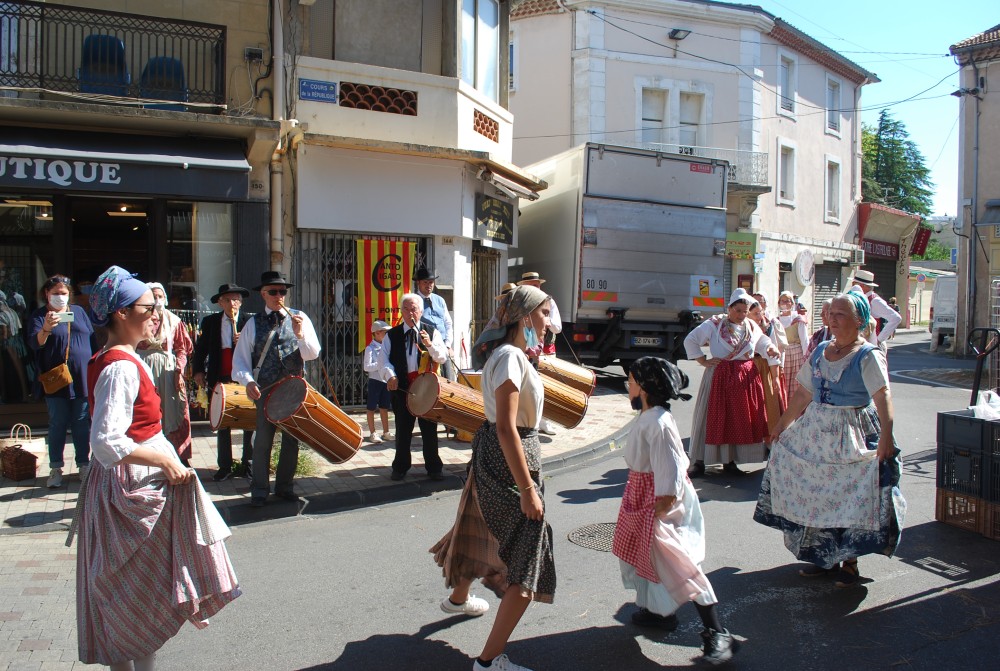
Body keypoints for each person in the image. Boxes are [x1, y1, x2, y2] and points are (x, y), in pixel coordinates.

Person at [75, 265, 239, 670]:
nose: (156, 315)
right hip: (130, 485)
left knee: (137, 596)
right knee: (133, 594)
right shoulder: (119, 366)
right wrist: (164, 458)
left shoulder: (118, 358)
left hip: (128, 478)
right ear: (121, 313)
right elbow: (106, 441)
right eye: (148, 308)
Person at [430, 284, 555, 671]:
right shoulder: (511, 357)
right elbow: (505, 427)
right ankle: (487, 662)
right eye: (544, 313)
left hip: (500, 459)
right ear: (524, 317)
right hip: (508, 463)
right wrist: (528, 488)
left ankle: (457, 599)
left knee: (479, 524)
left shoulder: (513, 356)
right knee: (527, 560)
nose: (548, 322)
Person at [754, 293, 905, 588]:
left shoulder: (867, 355)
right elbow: (803, 393)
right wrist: (782, 425)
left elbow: (882, 396)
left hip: (852, 430)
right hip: (817, 429)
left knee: (850, 496)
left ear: (859, 321)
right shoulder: (822, 349)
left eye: (840, 314)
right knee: (819, 494)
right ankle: (825, 556)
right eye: (831, 313)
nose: (832, 319)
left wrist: (886, 437)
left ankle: (850, 562)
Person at [613, 357, 736, 665]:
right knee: (647, 556)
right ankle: (658, 612)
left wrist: (659, 509)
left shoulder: (658, 423)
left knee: (679, 564)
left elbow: (669, 473)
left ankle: (718, 632)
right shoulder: (650, 418)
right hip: (645, 496)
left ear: (644, 388)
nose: (628, 386)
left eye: (631, 381)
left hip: (659, 502)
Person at [232, 271, 321, 507]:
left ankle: (284, 487)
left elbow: (312, 354)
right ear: (263, 294)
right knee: (263, 440)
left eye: (282, 291)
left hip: (293, 391)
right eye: (273, 291)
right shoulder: (253, 323)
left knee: (291, 441)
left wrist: (300, 335)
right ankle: (259, 490)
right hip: (266, 390)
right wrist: (248, 382)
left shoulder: (300, 317)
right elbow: (240, 361)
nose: (279, 295)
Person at [684, 289, 778, 477]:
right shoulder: (715, 324)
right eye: (738, 310)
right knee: (712, 418)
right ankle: (699, 461)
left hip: (744, 378)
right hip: (719, 376)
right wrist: (703, 360)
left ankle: (730, 461)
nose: (742, 315)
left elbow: (762, 342)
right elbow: (691, 340)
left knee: (737, 419)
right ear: (729, 308)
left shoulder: (750, 326)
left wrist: (770, 349)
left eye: (745, 311)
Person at [28, 275, 96, 488]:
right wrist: (46, 328)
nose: (60, 297)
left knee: (81, 423)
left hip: (81, 377)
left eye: (64, 293)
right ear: (46, 294)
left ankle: (83, 465)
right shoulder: (40, 315)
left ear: (70, 294)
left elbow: (91, 339)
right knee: (57, 423)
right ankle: (56, 468)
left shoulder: (79, 312)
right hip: (56, 379)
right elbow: (35, 343)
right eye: (55, 293)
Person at [377, 293, 448, 481]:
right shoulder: (392, 335)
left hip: (427, 390)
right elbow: (383, 361)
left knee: (429, 430)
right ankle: (400, 467)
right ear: (401, 312)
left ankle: (434, 467)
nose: (410, 313)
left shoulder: (431, 331)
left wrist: (430, 345)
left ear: (421, 311)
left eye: (414, 309)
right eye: (406, 309)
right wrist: (391, 376)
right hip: (403, 388)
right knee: (402, 430)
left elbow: (442, 357)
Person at [192, 283, 253, 482]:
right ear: (220, 302)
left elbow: (259, 351)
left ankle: (249, 463)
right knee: (222, 421)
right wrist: (198, 370)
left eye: (236, 299)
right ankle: (225, 466)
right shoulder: (211, 322)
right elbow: (201, 349)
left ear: (241, 302)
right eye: (227, 300)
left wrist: (245, 342)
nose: (232, 303)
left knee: (248, 419)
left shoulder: (249, 322)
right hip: (220, 376)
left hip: (243, 377)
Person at [137, 283, 194, 466]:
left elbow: (182, 349)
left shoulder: (174, 321)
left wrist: (179, 371)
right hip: (143, 369)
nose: (157, 300)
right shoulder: (138, 319)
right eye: (153, 296)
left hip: (167, 371)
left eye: (160, 296)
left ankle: (179, 457)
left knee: (176, 409)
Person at [517, 271, 562, 436]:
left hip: (545, 352)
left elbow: (558, 328)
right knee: (524, 387)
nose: (536, 288)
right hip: (523, 351)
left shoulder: (549, 302)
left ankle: (544, 421)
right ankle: (526, 420)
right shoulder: (519, 302)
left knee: (544, 388)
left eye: (537, 285)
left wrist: (545, 320)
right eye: (532, 286)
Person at [748, 300, 786, 435]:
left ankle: (770, 435)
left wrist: (776, 375)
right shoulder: (743, 327)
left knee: (769, 401)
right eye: (755, 313)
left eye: (760, 312)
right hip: (749, 367)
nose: (759, 316)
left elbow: (774, 348)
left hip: (765, 367)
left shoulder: (769, 326)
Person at [414, 268, 454, 379]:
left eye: (431, 282)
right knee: (428, 381)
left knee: (448, 379)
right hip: (424, 348)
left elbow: (448, 323)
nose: (429, 285)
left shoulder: (440, 300)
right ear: (418, 283)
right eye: (425, 282)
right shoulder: (414, 301)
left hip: (443, 347)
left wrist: (448, 345)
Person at [849, 269, 901, 349]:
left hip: (872, 346)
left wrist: (879, 339)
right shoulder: (859, 298)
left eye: (854, 283)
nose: (852, 286)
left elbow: (896, 318)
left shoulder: (875, 301)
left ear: (863, 286)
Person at [362, 320, 394, 443]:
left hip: (385, 380)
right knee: (371, 408)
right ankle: (372, 433)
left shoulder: (387, 347)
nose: (387, 335)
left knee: (384, 407)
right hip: (375, 381)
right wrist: (380, 364)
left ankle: (386, 432)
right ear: (377, 333)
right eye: (385, 332)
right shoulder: (370, 348)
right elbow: (366, 367)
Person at [777, 291, 808, 397]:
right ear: (779, 303)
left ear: (792, 303)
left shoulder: (798, 320)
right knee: (783, 383)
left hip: (796, 356)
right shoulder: (776, 320)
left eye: (788, 301)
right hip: (782, 355)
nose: (785, 303)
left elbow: (805, 341)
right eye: (782, 301)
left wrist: (806, 360)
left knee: (795, 383)